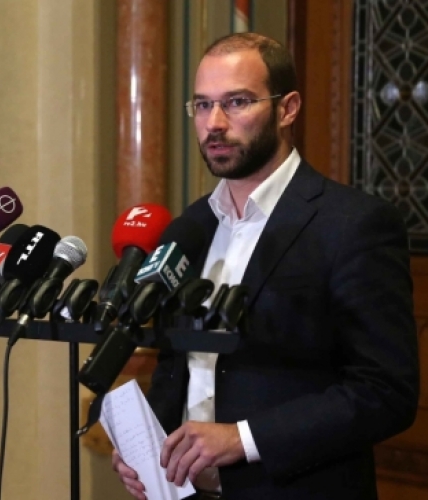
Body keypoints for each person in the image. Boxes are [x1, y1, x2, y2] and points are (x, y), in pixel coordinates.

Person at [112, 32, 419, 500]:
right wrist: (148, 446)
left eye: (236, 102)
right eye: (202, 105)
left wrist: (244, 439)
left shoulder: (354, 225)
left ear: (287, 108)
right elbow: (179, 365)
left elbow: (386, 391)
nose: (214, 123)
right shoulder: (188, 229)